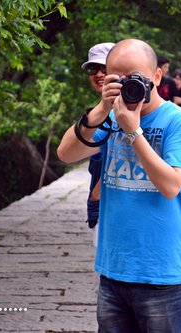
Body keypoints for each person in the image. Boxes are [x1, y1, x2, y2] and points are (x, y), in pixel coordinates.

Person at [57, 39, 181, 332]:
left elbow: (171, 186)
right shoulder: (109, 118)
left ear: (157, 77)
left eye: (135, 76)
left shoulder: (180, 123)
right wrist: (100, 109)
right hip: (114, 270)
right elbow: (66, 153)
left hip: (164, 274)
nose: (127, 85)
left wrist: (133, 131)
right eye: (117, 79)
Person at [81, 42, 115, 294]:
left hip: (125, 210)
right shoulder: (99, 113)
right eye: (93, 69)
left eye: (105, 67)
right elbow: (66, 153)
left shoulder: (149, 113)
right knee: (105, 285)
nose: (99, 74)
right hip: (99, 208)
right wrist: (102, 108)